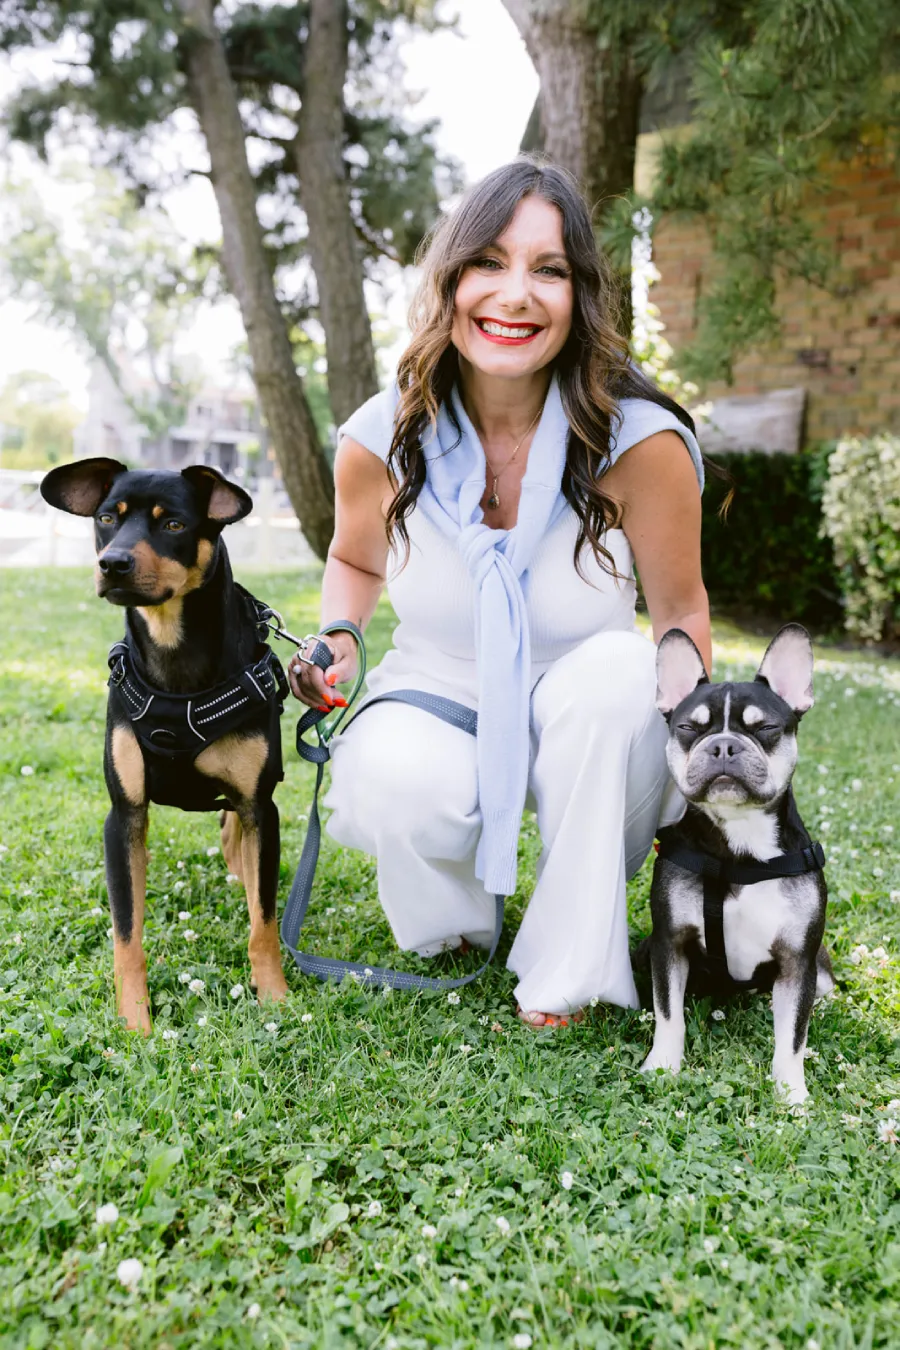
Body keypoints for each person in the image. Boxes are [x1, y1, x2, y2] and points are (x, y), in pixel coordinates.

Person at [287, 157, 710, 1027]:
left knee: (623, 683)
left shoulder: (639, 442)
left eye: (548, 270)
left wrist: (697, 759)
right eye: (489, 261)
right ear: (450, 278)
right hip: (442, 676)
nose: (515, 294)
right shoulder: (381, 435)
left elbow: (681, 614)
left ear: (580, 294)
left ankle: (569, 961)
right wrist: (337, 640)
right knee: (383, 776)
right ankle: (455, 928)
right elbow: (357, 562)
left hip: (585, 690)